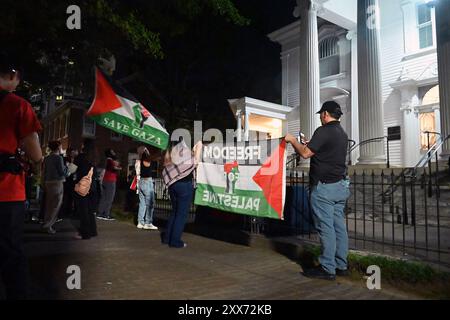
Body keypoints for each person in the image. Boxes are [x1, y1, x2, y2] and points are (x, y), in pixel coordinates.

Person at [285, 101, 350, 281]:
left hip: (324, 188)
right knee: (339, 227)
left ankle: (327, 268)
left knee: (326, 228)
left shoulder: (324, 131)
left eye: (321, 114)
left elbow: (305, 154)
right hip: (341, 185)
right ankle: (341, 265)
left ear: (325, 114)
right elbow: (323, 150)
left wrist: (292, 141)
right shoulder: (342, 133)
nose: (321, 117)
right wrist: (310, 144)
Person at [0, 51, 43, 299]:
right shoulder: (18, 105)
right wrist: (37, 162)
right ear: (13, 75)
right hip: (6, 191)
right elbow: (32, 144)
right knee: (11, 253)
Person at [161, 140, 202, 248]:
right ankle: (175, 241)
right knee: (181, 215)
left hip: (172, 185)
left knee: (174, 212)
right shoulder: (183, 151)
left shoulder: (171, 153)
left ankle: (167, 238)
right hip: (184, 186)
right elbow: (194, 162)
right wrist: (198, 148)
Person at [73, 139, 99, 240]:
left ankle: (85, 233)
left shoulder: (80, 157)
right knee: (90, 211)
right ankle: (92, 231)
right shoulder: (95, 158)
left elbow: (71, 170)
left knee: (83, 211)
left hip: (82, 187)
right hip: (92, 187)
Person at [42, 140, 69, 234]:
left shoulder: (47, 158)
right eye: (61, 147)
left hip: (48, 182)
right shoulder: (58, 158)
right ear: (58, 147)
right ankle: (48, 225)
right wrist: (68, 168)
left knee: (49, 204)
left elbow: (44, 172)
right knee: (56, 205)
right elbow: (62, 172)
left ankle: (47, 223)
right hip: (57, 183)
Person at [135, 148, 158, 230]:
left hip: (141, 182)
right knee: (150, 203)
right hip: (147, 182)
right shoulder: (146, 160)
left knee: (142, 203)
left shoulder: (139, 161)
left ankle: (140, 222)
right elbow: (155, 157)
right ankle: (148, 222)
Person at [97, 148, 121, 221]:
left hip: (105, 180)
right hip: (110, 181)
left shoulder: (106, 160)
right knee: (109, 198)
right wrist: (119, 168)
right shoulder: (110, 160)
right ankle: (106, 214)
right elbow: (113, 168)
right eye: (113, 151)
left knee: (104, 197)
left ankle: (100, 213)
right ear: (110, 153)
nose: (114, 152)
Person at [59, 147, 78, 219]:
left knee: (71, 198)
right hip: (66, 181)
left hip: (73, 182)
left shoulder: (76, 160)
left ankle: (69, 212)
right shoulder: (64, 159)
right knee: (65, 197)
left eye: (75, 152)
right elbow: (70, 171)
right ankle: (63, 212)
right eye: (73, 152)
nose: (74, 154)